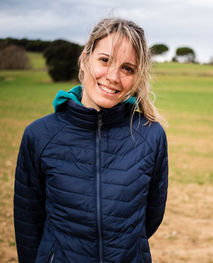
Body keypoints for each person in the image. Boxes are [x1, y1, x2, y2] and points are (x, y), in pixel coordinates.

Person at [14, 17, 168, 263]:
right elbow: (28, 223)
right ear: (85, 58)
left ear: (137, 76)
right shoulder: (39, 135)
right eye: (105, 60)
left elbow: (150, 217)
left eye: (127, 68)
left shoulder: (151, 135)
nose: (113, 76)